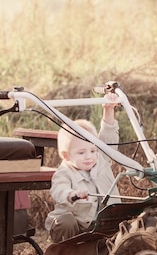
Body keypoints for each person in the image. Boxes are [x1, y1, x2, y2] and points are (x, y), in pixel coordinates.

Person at [45, 93, 121, 243]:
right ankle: (65, 254)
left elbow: (108, 138)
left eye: (92, 150)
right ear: (66, 156)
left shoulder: (101, 160)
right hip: (77, 226)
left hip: (102, 223)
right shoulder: (65, 172)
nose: (89, 156)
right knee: (65, 221)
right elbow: (58, 190)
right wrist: (72, 194)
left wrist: (108, 109)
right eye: (81, 152)